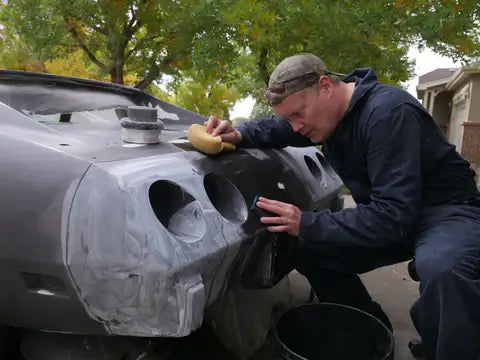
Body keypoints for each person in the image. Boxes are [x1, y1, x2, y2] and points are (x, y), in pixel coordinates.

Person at [205, 53, 480, 360]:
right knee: (309, 249)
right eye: (289, 118)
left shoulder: (387, 113)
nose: (296, 127)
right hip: (395, 214)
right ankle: (370, 332)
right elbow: (279, 128)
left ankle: (445, 347)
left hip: (446, 212)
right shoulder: (328, 114)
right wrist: (240, 134)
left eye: (299, 113)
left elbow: (392, 217)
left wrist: (306, 222)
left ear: (325, 86)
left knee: (444, 269)